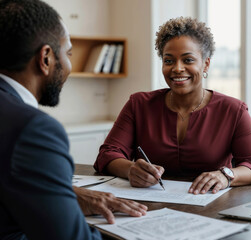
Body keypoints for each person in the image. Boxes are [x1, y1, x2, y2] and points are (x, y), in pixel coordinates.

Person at [0, 0, 147, 239]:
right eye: (68, 53)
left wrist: (65, 193)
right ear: (46, 58)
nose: (69, 63)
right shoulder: (33, 129)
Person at [94, 17, 251, 195]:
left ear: (206, 64)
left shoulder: (233, 110)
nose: (177, 68)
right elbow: (108, 155)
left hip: (210, 207)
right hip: (148, 206)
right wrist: (130, 169)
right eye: (169, 61)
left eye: (188, 60)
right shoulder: (138, 105)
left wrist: (226, 176)